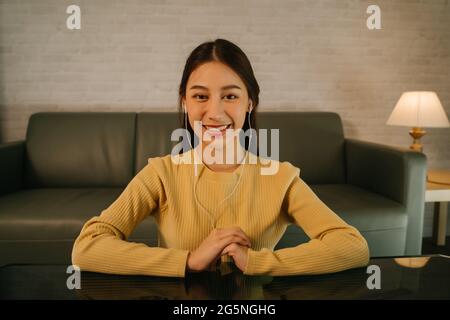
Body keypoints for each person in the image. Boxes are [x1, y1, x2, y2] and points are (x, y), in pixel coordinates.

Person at [71, 39, 369, 277]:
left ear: (250, 102)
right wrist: (189, 261)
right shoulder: (161, 173)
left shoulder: (280, 177)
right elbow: (87, 247)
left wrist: (255, 262)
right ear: (184, 102)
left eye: (230, 96)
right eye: (201, 96)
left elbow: (352, 246)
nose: (214, 112)